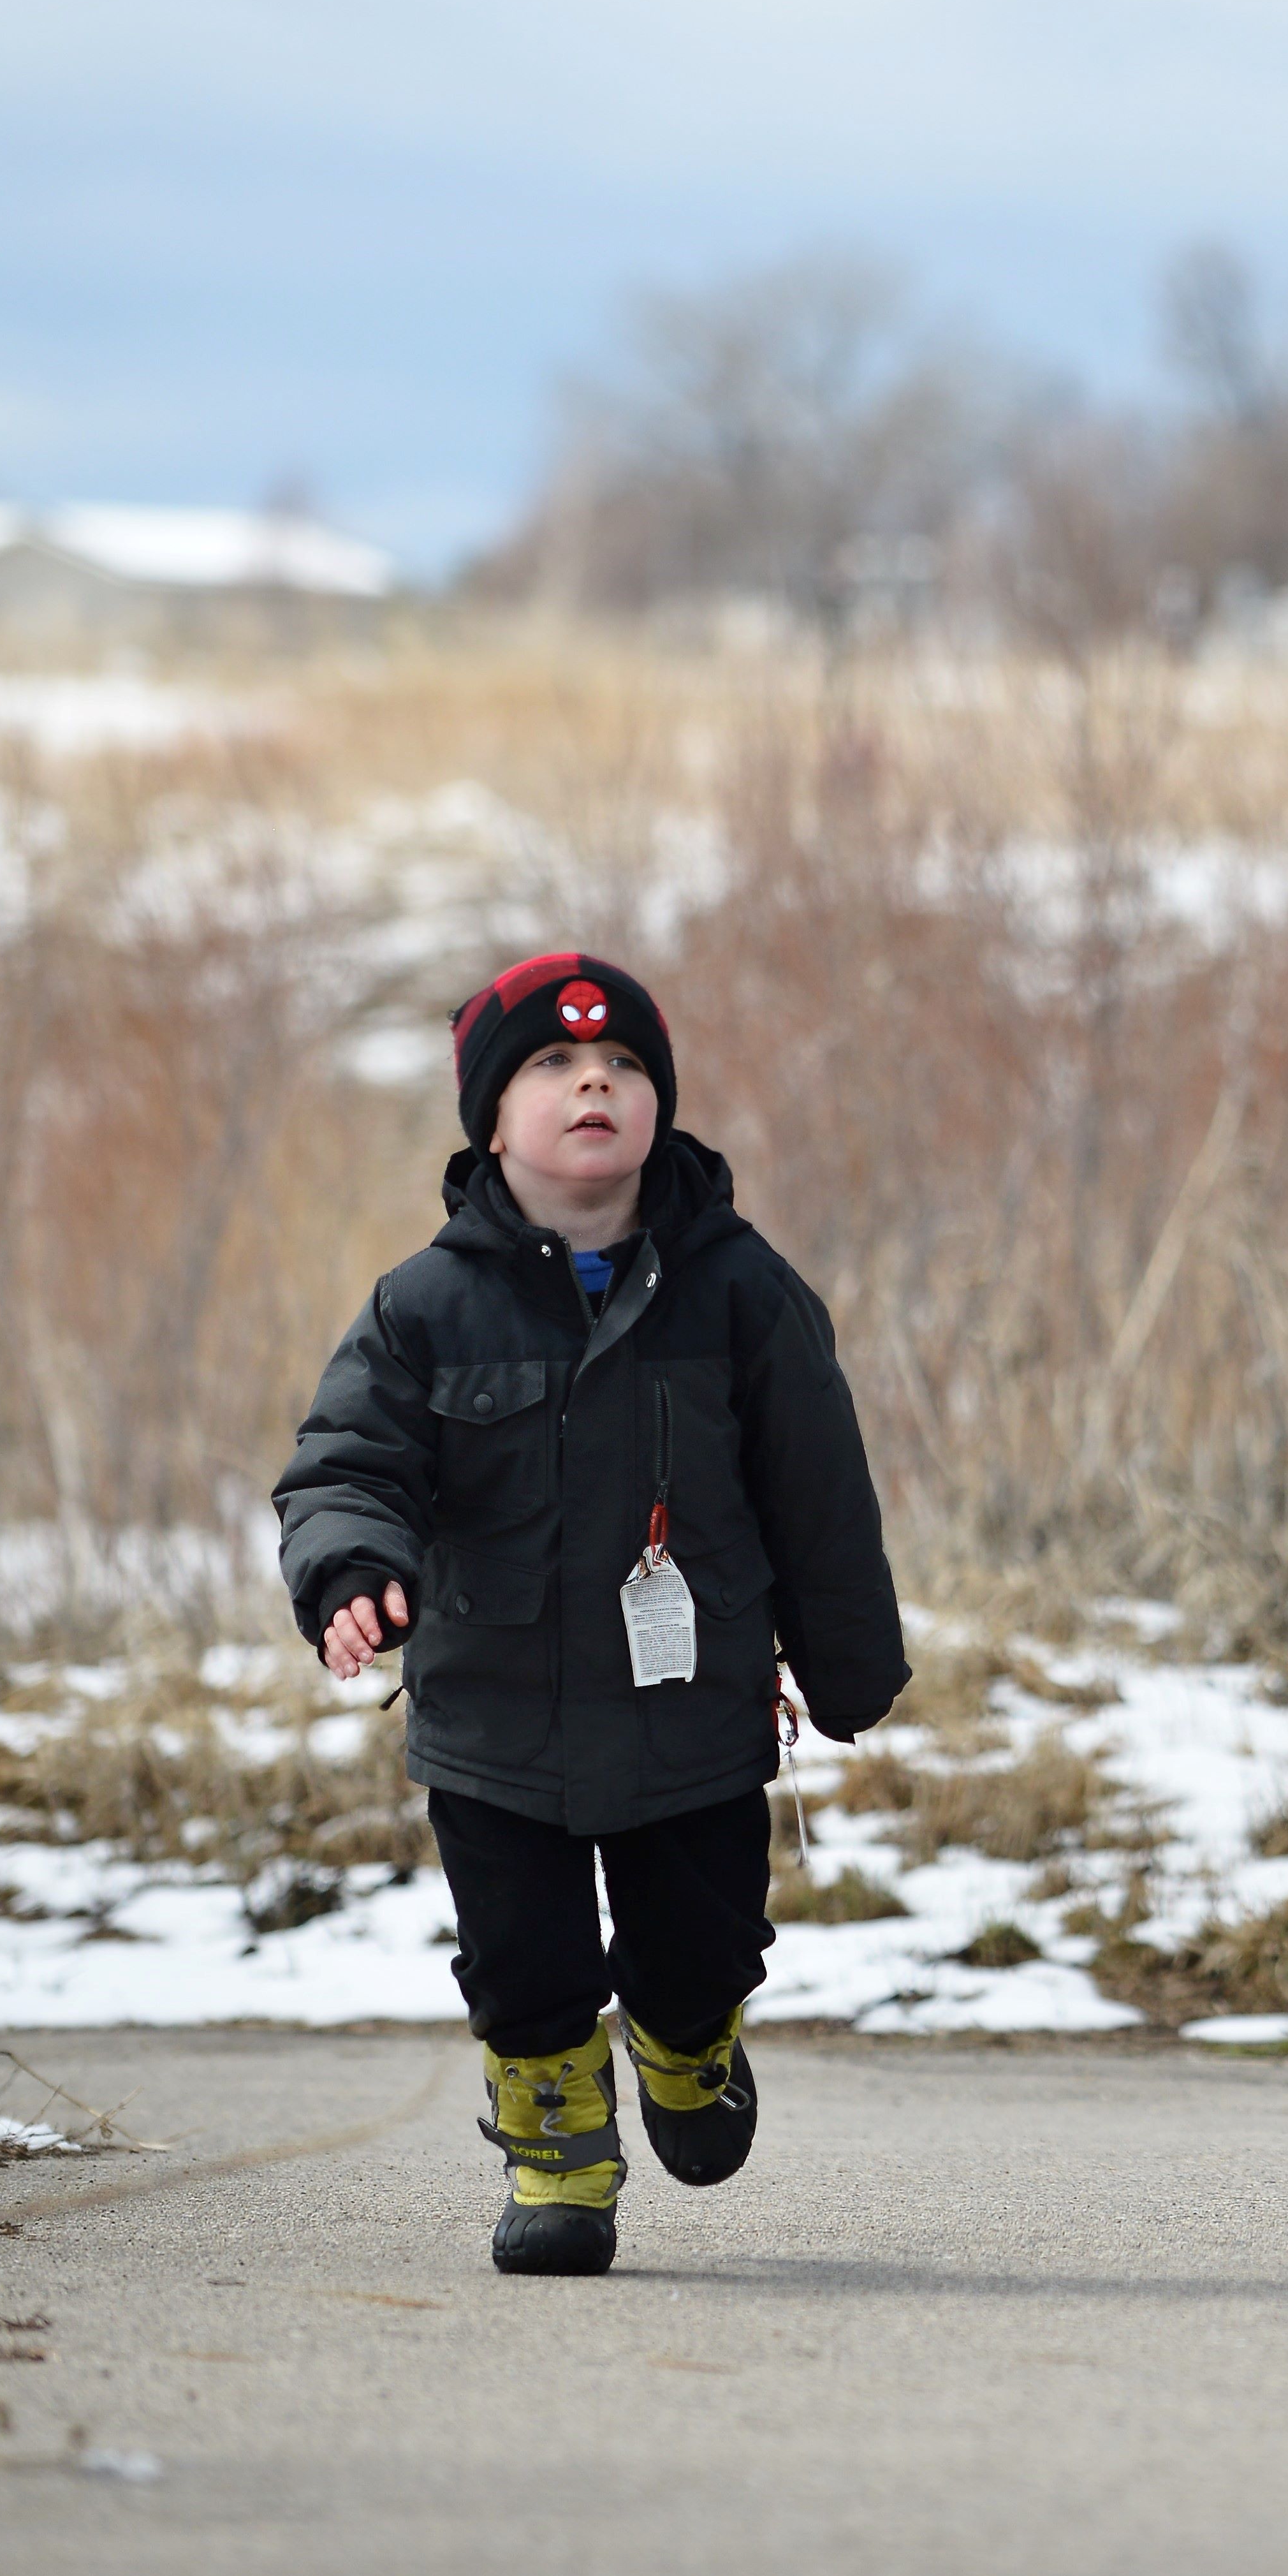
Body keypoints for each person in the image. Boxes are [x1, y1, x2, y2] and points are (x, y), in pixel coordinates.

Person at [277, 951, 909, 2276]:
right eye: (555, 1067)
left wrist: (846, 1665)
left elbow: (819, 1490)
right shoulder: (423, 1308)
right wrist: (349, 1575)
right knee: (523, 1964)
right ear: (490, 1120)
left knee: (699, 1941)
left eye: (622, 1067)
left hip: (693, 1717)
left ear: (659, 1107)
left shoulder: (741, 1292)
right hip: (494, 1717)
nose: (594, 1083)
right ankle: (559, 2157)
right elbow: (346, 1464)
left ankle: (687, 2043)